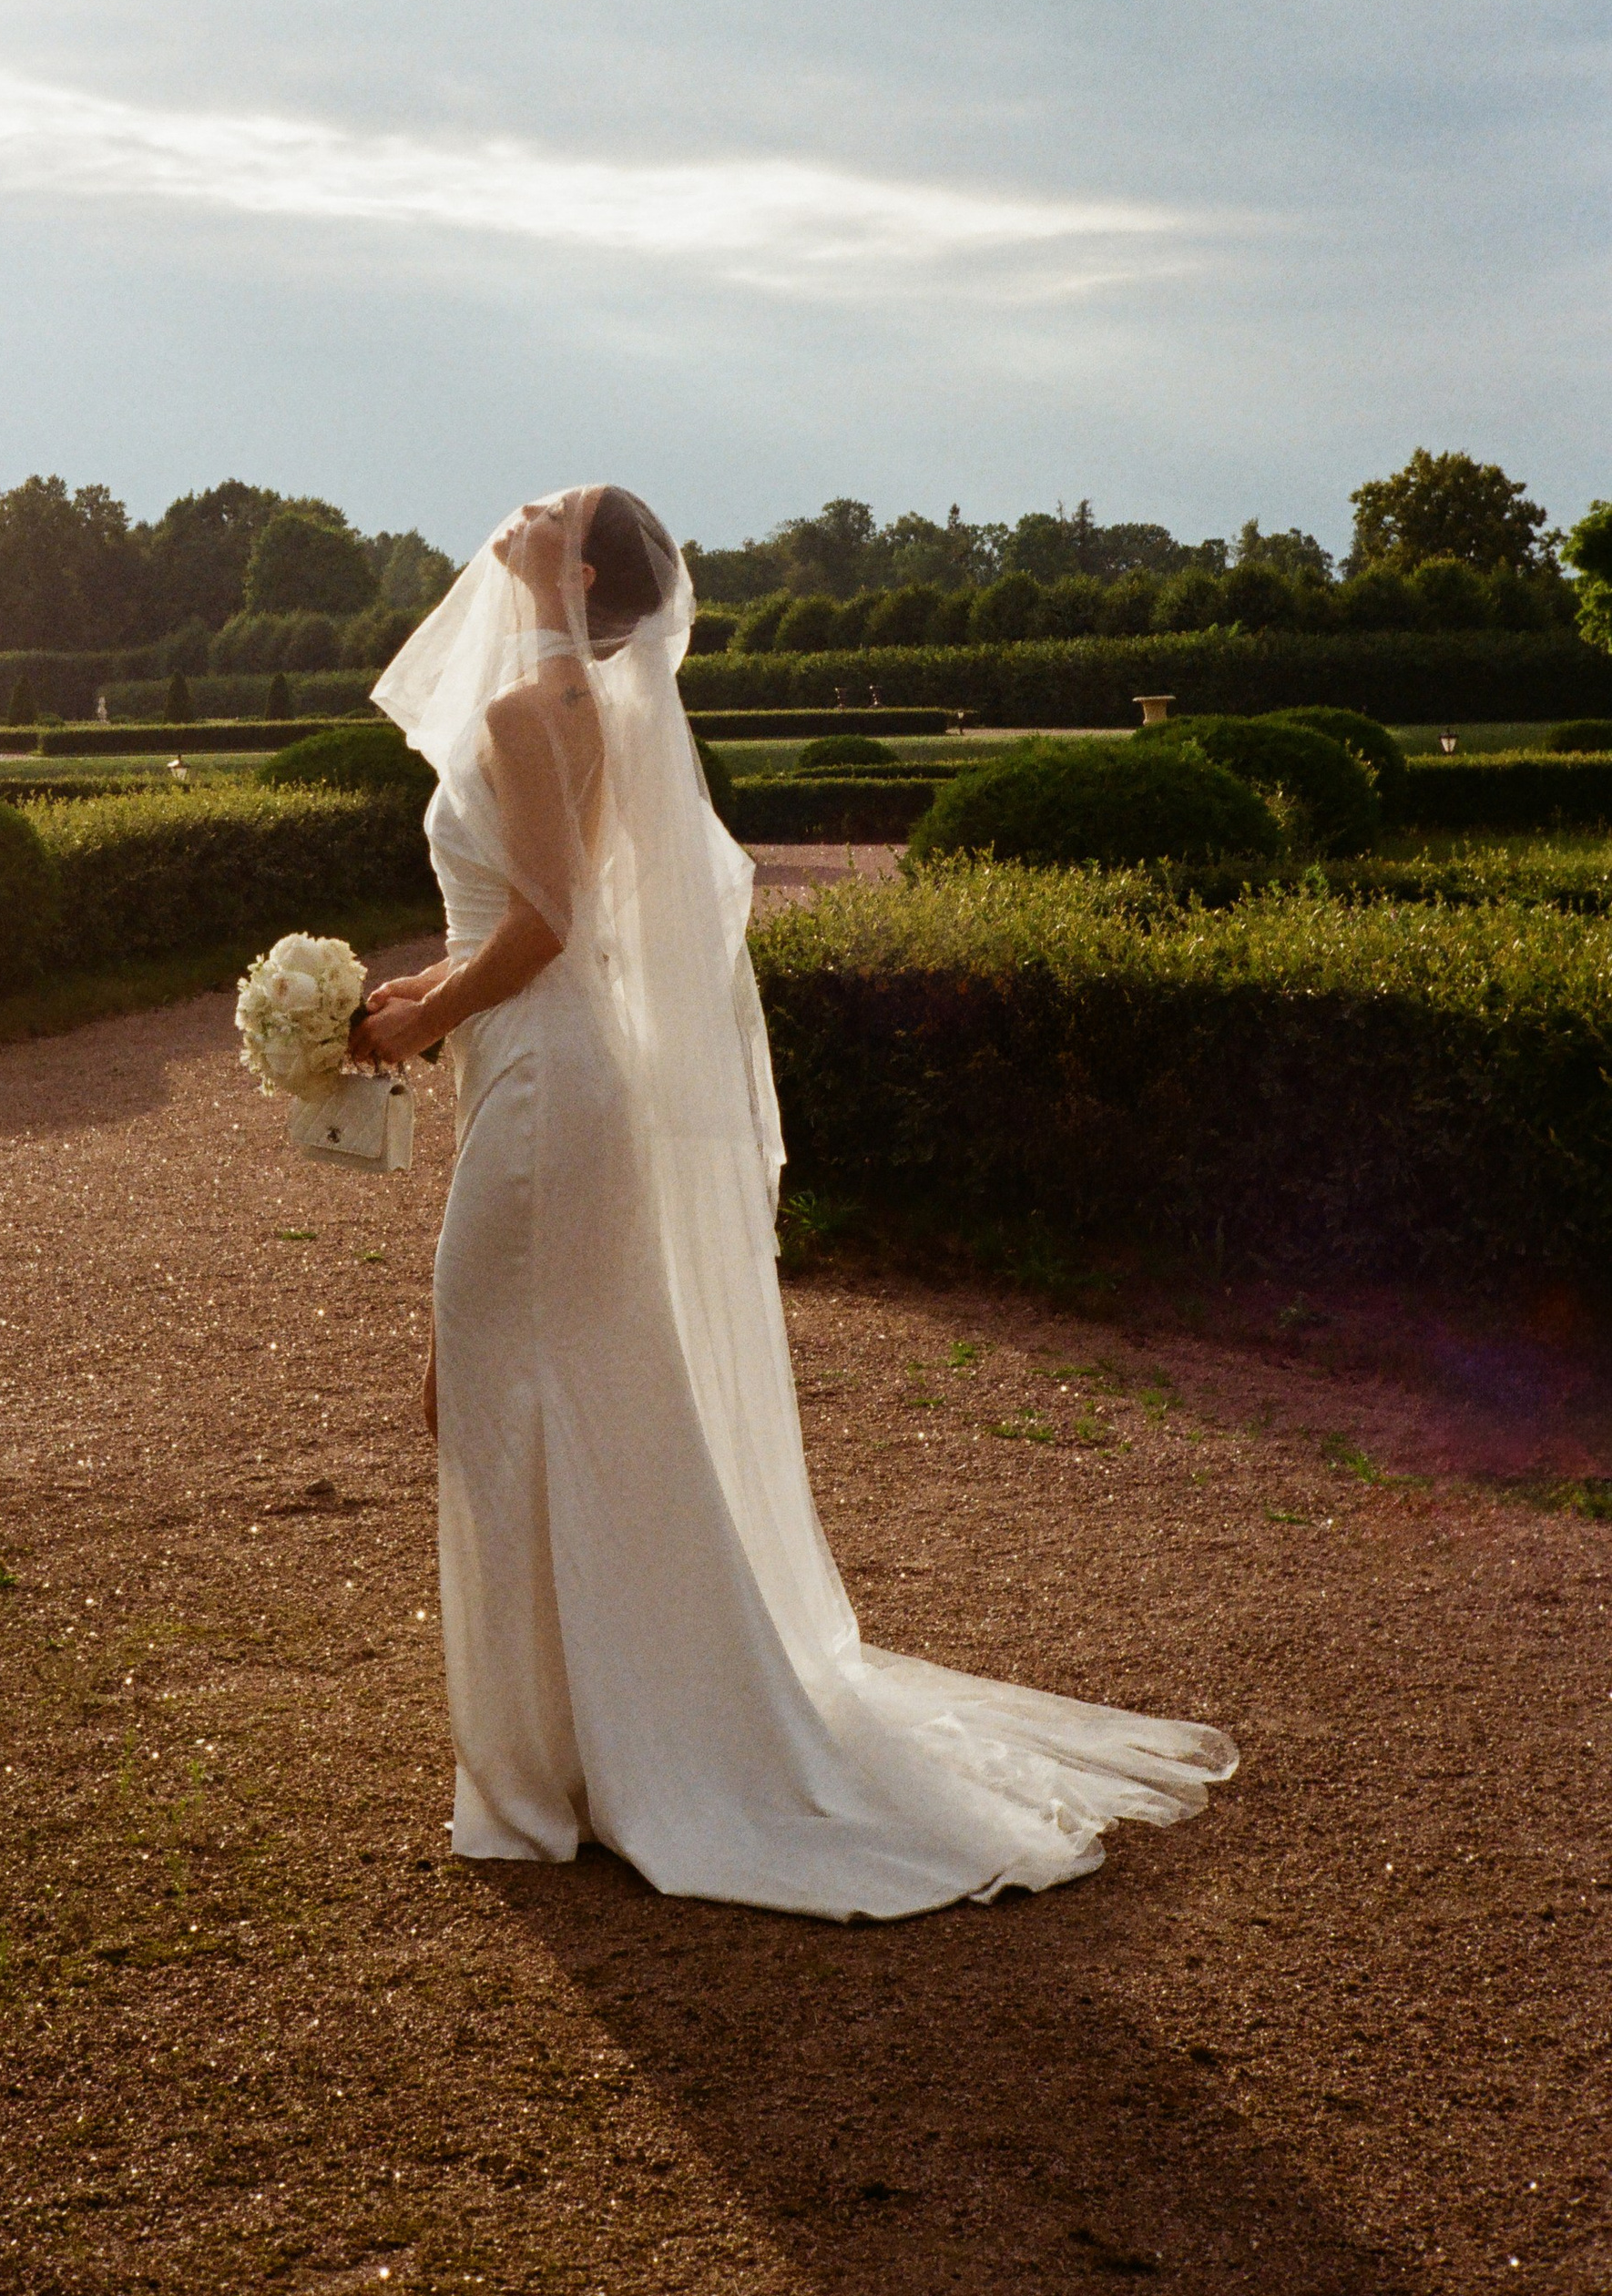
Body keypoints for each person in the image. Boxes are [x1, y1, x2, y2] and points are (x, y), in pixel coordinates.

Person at [348, 486, 1235, 1921]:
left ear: (573, 568)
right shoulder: (586, 696)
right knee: (570, 1388)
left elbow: (549, 924)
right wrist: (442, 999)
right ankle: (592, 1739)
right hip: (564, 1073)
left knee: (497, 1392)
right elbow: (549, 920)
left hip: (540, 1078)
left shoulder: (527, 703)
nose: (518, 509)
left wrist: (420, 1013)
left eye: (549, 507)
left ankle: (535, 1774)